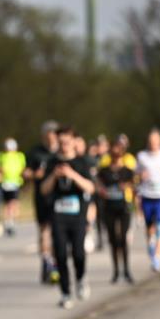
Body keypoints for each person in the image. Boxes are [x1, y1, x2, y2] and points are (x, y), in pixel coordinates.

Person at [41, 126, 96, 309]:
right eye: (61, 142)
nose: (64, 145)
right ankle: (65, 293)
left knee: (79, 253)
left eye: (67, 142)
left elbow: (90, 187)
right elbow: (44, 190)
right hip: (58, 215)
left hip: (77, 215)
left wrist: (72, 174)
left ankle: (81, 278)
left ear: (73, 141)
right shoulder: (52, 162)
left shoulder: (82, 162)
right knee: (61, 255)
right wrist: (55, 176)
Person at [25, 121, 60, 284]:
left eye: (54, 133)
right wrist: (34, 174)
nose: (51, 136)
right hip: (41, 197)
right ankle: (46, 261)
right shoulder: (35, 152)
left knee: (57, 232)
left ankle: (55, 263)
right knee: (44, 229)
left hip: (59, 197)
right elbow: (25, 173)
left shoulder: (62, 152)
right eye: (49, 133)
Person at [136, 128, 160, 273]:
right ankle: (151, 247)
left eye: (156, 140)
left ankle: (157, 258)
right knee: (149, 227)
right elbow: (136, 175)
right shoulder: (142, 156)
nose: (153, 143)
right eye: (151, 141)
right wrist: (141, 175)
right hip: (147, 195)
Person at [96, 147, 136, 283]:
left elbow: (135, 184)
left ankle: (126, 270)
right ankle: (116, 271)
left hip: (124, 207)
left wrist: (127, 186)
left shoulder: (127, 171)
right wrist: (101, 190)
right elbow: (97, 184)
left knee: (123, 239)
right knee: (113, 240)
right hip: (109, 208)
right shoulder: (104, 171)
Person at [0, 138, 26, 237]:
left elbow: (23, 168)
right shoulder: (2, 156)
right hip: (5, 183)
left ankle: (12, 222)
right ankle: (8, 223)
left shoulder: (20, 156)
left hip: (15, 183)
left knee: (14, 203)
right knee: (7, 204)